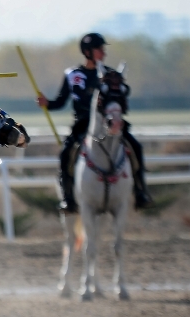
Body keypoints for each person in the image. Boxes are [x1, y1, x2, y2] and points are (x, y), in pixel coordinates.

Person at [37, 32, 152, 213]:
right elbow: (60, 101)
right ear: (88, 51)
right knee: (66, 153)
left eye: (103, 49)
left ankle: (140, 191)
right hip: (83, 125)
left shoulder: (109, 75)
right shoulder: (72, 74)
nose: (103, 53)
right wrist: (47, 103)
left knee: (136, 147)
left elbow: (120, 95)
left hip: (110, 123)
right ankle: (68, 198)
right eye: (100, 49)